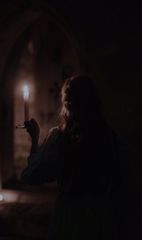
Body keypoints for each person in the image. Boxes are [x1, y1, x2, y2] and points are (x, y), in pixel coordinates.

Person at [21, 75, 122, 240]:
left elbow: (31, 175)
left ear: (67, 103)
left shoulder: (60, 138)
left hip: (71, 219)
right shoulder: (111, 138)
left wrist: (34, 138)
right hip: (101, 220)